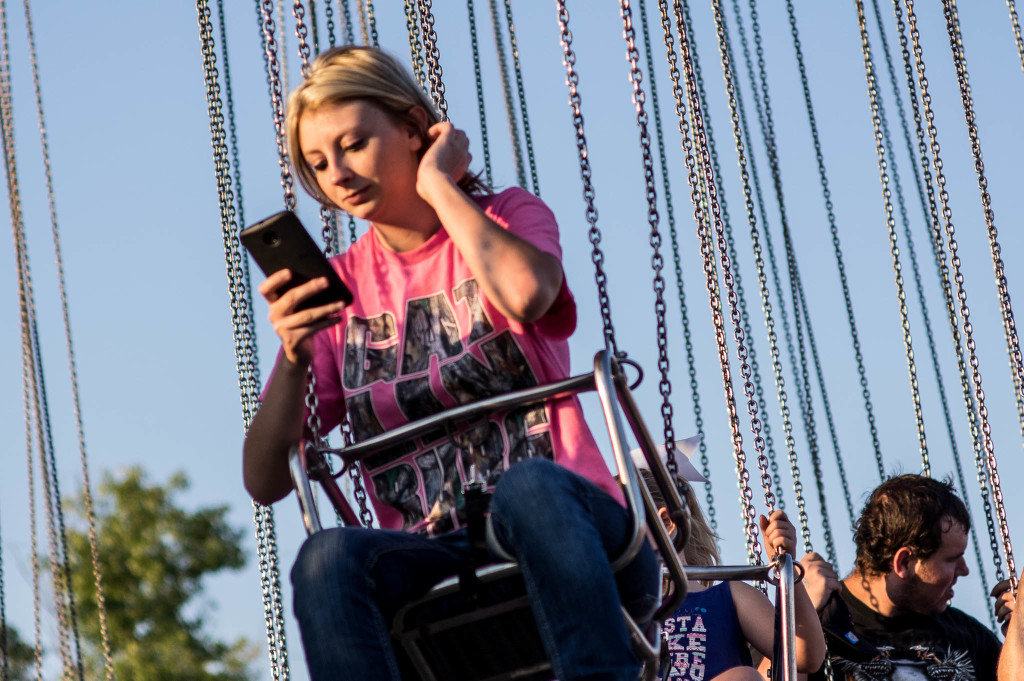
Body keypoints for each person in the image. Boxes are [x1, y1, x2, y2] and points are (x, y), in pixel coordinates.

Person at [241, 45, 661, 681]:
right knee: (326, 556)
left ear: (414, 129)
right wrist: (297, 355)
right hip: (436, 559)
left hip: (571, 533)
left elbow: (525, 295)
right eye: (319, 164)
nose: (339, 175)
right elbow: (264, 481)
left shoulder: (507, 216)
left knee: (528, 487)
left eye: (353, 145)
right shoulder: (341, 291)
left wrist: (438, 185)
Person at [635, 441, 827, 681]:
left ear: (666, 523)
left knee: (743, 678)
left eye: (618, 526)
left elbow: (805, 656)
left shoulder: (729, 597)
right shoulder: (617, 609)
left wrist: (785, 566)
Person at [796, 474, 1016, 681]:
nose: (964, 569)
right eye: (952, 559)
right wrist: (796, 618)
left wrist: (1020, 632)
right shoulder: (817, 630)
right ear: (903, 562)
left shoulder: (970, 640)